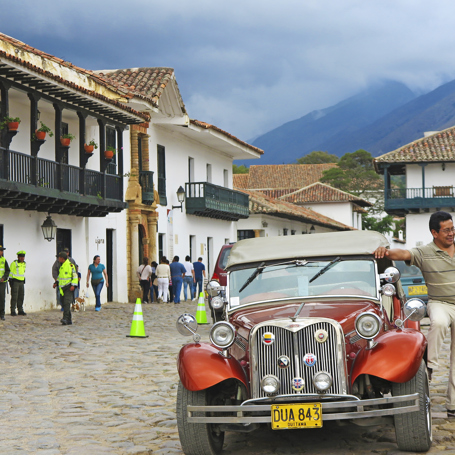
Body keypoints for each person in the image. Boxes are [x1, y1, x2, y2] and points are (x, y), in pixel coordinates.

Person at [373, 211, 455, 418]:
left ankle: (453, 405)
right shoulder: (424, 252)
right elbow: (403, 254)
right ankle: (430, 366)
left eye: (452, 228)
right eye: (446, 230)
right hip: (440, 303)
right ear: (434, 232)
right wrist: (385, 251)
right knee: (438, 322)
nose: (451, 233)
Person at [53, 251, 78, 325]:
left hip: (68, 287)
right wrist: (56, 283)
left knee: (67, 303)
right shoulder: (62, 266)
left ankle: (65, 318)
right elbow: (60, 277)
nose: (58, 259)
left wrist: (73, 285)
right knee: (64, 303)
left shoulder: (70, 266)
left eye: (59, 258)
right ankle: (69, 320)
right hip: (62, 288)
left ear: (62, 258)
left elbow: (75, 276)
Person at [9, 250, 27, 316]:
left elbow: (22, 272)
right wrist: (10, 280)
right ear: (18, 257)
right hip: (15, 281)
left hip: (21, 282)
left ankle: (20, 310)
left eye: (23, 257)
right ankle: (13, 310)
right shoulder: (14, 263)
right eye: (21, 257)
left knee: (21, 296)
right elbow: (10, 272)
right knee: (14, 297)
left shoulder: (24, 264)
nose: (22, 258)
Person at [0, 245, 10, 321]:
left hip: (2, 282)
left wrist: (4, 277)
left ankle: (2, 314)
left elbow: (7, 270)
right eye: (1, 250)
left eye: (2, 251)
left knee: (2, 298)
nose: (1, 252)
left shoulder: (3, 260)